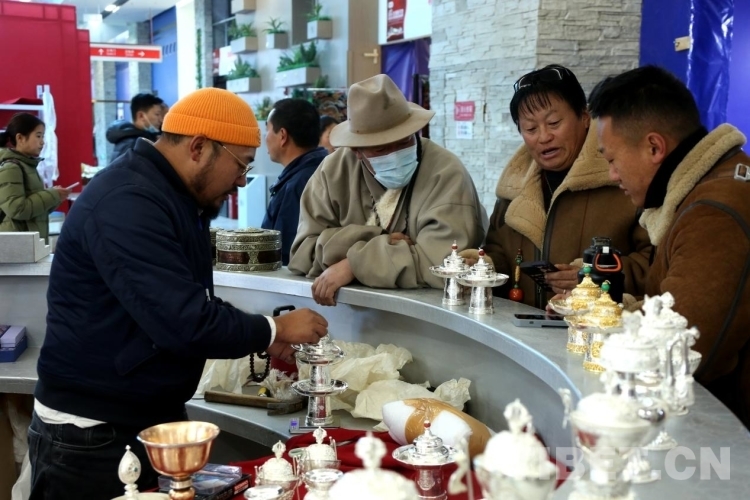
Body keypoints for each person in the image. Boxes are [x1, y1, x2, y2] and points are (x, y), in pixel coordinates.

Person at [30, 88, 328, 499]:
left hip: (138, 416)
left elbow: (188, 299)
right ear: (199, 148)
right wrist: (274, 329)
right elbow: (184, 320)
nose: (242, 180)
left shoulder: (173, 197)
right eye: (241, 164)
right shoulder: (128, 201)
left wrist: (262, 335)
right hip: (92, 436)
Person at [589, 65, 750, 428]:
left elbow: (679, 352)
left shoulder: (713, 214)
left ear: (654, 147)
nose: (612, 175)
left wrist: (601, 325)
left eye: (612, 159)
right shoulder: (713, 187)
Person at [465, 64, 651, 309]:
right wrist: (483, 265)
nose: (544, 137)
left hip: (595, 327)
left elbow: (654, 262)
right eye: (531, 128)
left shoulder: (622, 178)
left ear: (584, 117)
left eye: (553, 123)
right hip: (521, 327)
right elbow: (500, 252)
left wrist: (592, 276)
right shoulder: (514, 187)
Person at [288, 74, 484, 305]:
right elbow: (302, 253)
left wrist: (353, 265)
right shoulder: (332, 172)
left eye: (404, 141)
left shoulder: (446, 173)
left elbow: (443, 265)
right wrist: (377, 238)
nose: (395, 154)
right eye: (380, 149)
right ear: (356, 150)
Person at [261, 99, 328, 265]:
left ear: (282, 136)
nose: (265, 137)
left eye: (267, 130)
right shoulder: (323, 169)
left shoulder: (297, 185)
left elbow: (285, 254)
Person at [0, 113, 71, 242]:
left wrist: (56, 197)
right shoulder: (11, 168)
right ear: (20, 138)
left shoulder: (28, 166)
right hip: (16, 245)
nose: (42, 142)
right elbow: (17, 209)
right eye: (38, 136)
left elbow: (35, 212)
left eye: (43, 136)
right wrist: (51, 195)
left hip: (29, 244)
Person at [106, 92, 164, 161]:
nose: (161, 120)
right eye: (157, 114)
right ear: (141, 116)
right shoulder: (133, 145)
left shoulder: (140, 139)